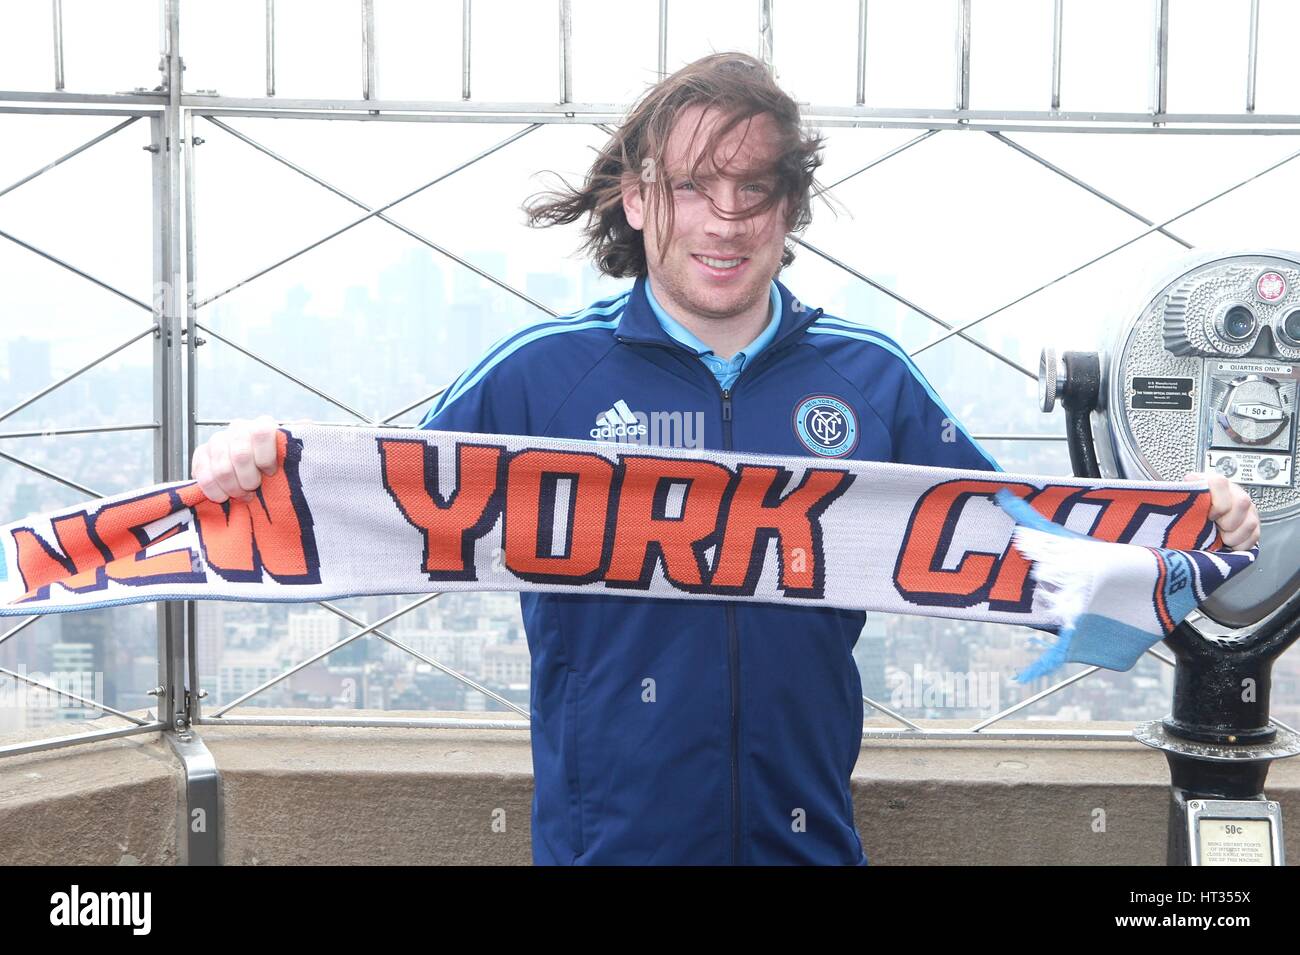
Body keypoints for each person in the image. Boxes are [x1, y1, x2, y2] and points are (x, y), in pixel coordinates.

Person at [191, 53, 1262, 865]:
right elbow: (375, 499)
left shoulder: (869, 379)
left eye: (755, 188)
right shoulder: (542, 374)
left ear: (791, 208)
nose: (726, 218)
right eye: (695, 185)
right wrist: (257, 458)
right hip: (603, 851)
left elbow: (1016, 547)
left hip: (806, 840)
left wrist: (1183, 525)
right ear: (637, 196)